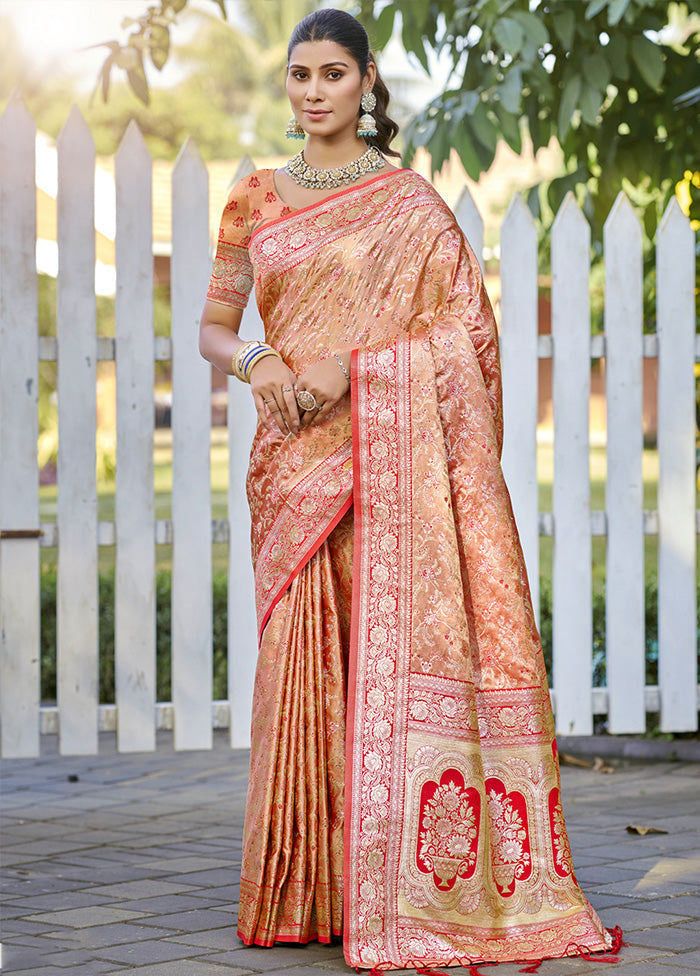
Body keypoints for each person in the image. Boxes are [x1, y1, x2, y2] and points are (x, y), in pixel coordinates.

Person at [199, 8, 622, 972]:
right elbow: (214, 326)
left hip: (393, 468)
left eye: (332, 74)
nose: (313, 92)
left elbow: (468, 344)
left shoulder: (410, 205)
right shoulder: (255, 199)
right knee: (305, 671)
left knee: (382, 666)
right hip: (295, 464)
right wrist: (259, 361)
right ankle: (307, 890)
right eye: (299, 75)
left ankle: (400, 886)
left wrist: (362, 369)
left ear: (368, 83)